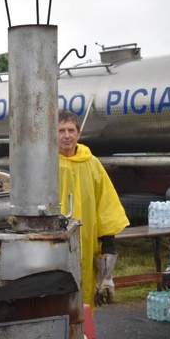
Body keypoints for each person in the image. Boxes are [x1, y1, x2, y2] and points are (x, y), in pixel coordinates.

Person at [58, 110, 129, 308]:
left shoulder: (92, 164)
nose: (66, 135)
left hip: (87, 245)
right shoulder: (47, 165)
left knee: (84, 301)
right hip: (55, 245)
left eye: (71, 130)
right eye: (61, 130)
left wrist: (108, 246)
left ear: (78, 134)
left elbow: (106, 204)